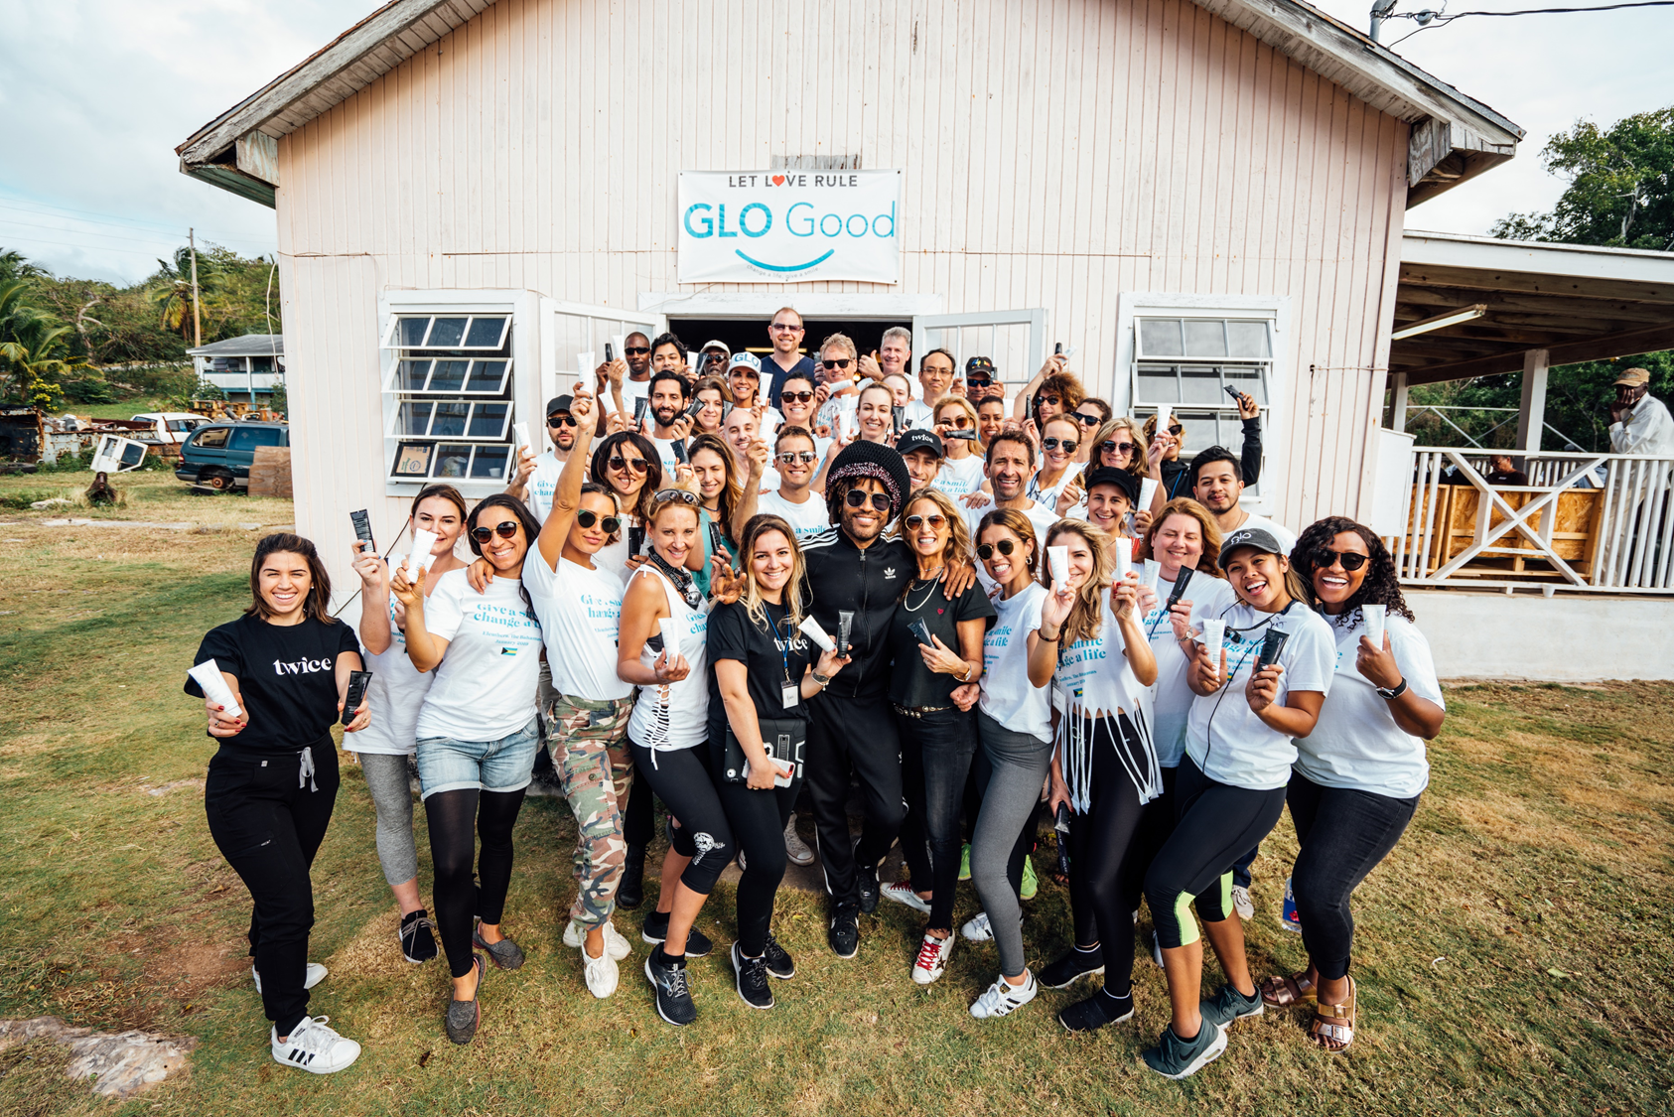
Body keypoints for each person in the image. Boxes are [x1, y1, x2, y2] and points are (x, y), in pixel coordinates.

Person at [1140, 526, 1334, 1078]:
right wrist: (1201, 672)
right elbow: (1207, 687)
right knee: (1211, 890)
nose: (1249, 575)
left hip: (1248, 785)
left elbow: (1304, 719)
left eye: (1258, 562)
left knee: (1166, 887)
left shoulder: (1306, 630)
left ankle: (1190, 1035)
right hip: (1199, 772)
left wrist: (1266, 709)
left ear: (1281, 562)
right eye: (1237, 567)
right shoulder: (1231, 618)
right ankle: (1245, 993)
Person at [186, 533, 369, 1073]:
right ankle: (290, 1030)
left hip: (315, 775)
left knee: (284, 881)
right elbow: (223, 689)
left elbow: (349, 670)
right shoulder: (230, 637)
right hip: (248, 785)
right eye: (273, 574)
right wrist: (224, 711)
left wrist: (351, 701)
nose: (284, 584)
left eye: (296, 573)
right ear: (256, 579)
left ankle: (270, 965)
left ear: (313, 578)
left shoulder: (334, 631)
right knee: (291, 902)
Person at [1263, 517, 1446, 1051]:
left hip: (1377, 784)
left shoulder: (1393, 630)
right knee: (1323, 887)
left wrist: (1391, 682)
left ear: (1372, 568)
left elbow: (1430, 724)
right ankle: (1317, 971)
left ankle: (1336, 990)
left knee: (1318, 887)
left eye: (1350, 559)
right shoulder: (1299, 621)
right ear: (1304, 563)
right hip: (1311, 776)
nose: (1335, 567)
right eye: (1323, 556)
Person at [801, 441, 972, 957]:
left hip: (875, 701)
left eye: (880, 501)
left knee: (889, 812)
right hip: (823, 699)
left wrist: (960, 562)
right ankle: (845, 901)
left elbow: (939, 550)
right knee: (827, 805)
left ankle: (866, 860)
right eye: (856, 496)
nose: (867, 508)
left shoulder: (902, 553)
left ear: (893, 507)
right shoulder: (810, 557)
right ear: (838, 499)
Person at [395, 496, 544, 1045]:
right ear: (472, 542)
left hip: (514, 735)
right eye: (482, 535)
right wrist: (413, 605)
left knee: (498, 838)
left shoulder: (541, 588)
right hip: (449, 735)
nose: (496, 541)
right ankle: (464, 976)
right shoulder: (460, 584)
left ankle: (491, 927)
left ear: (526, 530)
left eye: (507, 528)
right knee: (454, 863)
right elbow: (425, 657)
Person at [518, 388, 642, 999]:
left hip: (624, 721)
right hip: (576, 725)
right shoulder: (546, 567)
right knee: (608, 841)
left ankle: (581, 917)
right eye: (585, 519)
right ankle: (596, 939)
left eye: (606, 522)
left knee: (603, 833)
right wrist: (588, 432)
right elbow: (567, 498)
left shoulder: (618, 575)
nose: (594, 527)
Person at [708, 514, 852, 1008]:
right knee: (768, 859)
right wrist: (758, 761)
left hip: (791, 743)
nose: (774, 563)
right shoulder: (731, 615)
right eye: (762, 554)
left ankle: (757, 932)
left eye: (782, 553)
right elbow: (733, 693)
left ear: (795, 556)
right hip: (747, 750)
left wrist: (824, 675)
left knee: (765, 862)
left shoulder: (794, 612)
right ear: (748, 559)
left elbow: (790, 692)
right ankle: (748, 954)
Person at [1035, 519, 1160, 1031]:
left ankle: (1118, 994)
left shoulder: (1121, 599)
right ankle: (1087, 949)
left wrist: (1127, 618)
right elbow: (1043, 682)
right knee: (1081, 860)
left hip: (1125, 746)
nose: (1071, 565)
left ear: (1096, 558)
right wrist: (1057, 769)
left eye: (1080, 555)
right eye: (1059, 557)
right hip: (1079, 749)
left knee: (1100, 876)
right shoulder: (1048, 611)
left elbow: (1148, 673)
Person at [348, 485, 469, 967]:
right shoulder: (385, 567)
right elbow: (375, 645)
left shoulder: (473, 576)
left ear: (462, 528)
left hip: (446, 716)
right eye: (425, 518)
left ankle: (460, 886)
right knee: (394, 811)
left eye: (447, 521)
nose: (435, 530)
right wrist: (375, 589)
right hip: (385, 708)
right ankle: (412, 912)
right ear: (411, 521)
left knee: (455, 818)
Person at [877, 488, 994, 984]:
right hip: (899, 717)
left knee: (945, 829)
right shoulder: (903, 579)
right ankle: (924, 886)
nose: (925, 530)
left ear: (950, 527)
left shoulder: (961, 585)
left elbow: (975, 666)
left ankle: (939, 929)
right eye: (914, 522)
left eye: (935, 522)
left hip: (945, 722)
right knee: (905, 808)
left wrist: (958, 667)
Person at [617, 487, 719, 1027]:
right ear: (650, 533)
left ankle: (661, 918)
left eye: (688, 530)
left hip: (697, 731)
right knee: (716, 842)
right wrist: (656, 673)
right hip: (661, 738)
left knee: (687, 833)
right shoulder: (647, 583)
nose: (679, 541)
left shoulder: (690, 580)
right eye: (668, 531)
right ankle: (667, 959)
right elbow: (626, 662)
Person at [964, 509, 1052, 1018]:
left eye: (1005, 547)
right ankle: (1004, 916)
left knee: (987, 865)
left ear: (1028, 547)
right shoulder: (999, 600)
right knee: (999, 847)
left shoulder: (1040, 604)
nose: (995, 557)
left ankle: (1017, 981)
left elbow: (1042, 675)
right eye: (987, 550)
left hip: (1022, 748)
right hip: (988, 734)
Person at [962, 431, 1059, 590]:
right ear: (986, 469)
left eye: (1018, 462)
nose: (1008, 471)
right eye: (1001, 461)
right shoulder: (970, 512)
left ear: (1031, 471)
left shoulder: (1052, 526)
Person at [1146, 388, 1264, 502]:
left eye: (1174, 430)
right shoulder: (1139, 474)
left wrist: (1251, 425)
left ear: (1181, 437)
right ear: (1147, 442)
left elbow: (1248, 475)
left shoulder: (1193, 476)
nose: (1168, 437)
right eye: (1159, 434)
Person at [1188, 446, 1295, 553]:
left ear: (1240, 487)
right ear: (1195, 492)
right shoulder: (1184, 538)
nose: (1216, 488)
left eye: (1224, 480)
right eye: (1207, 482)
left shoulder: (1276, 536)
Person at [588, 431, 663, 581]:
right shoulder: (588, 513)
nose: (628, 471)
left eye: (638, 464)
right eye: (618, 462)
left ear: (649, 471)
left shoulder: (658, 517)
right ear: (604, 468)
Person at [738, 425, 831, 541]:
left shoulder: (827, 509)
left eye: (806, 456)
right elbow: (739, 536)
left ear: (815, 462)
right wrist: (753, 476)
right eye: (788, 457)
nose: (797, 463)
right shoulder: (759, 505)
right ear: (776, 464)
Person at [506, 395, 579, 522]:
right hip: (540, 541)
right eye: (555, 422)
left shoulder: (591, 466)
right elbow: (506, 508)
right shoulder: (535, 466)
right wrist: (518, 481)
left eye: (571, 420)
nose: (563, 428)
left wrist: (595, 480)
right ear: (547, 427)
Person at [1608, 366, 1674, 455]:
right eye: (1620, 387)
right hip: (1628, 467)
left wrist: (1615, 413)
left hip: (1645, 468)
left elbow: (1623, 448)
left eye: (1629, 387)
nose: (1622, 392)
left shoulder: (1651, 409)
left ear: (1645, 387)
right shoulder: (1626, 408)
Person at [764, 306, 818, 410]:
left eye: (793, 328)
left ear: (801, 334)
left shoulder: (815, 371)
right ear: (771, 332)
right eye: (780, 327)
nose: (786, 332)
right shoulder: (756, 370)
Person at [932, 395, 986, 497]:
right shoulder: (929, 462)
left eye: (961, 421)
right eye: (946, 423)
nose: (954, 428)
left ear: (971, 424)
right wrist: (931, 442)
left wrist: (983, 495)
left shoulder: (981, 467)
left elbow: (989, 490)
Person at [1027, 416, 1084, 510]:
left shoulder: (1078, 499)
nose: (1059, 451)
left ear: (1077, 450)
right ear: (1041, 445)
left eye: (1068, 445)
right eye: (1051, 442)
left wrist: (1061, 511)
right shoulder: (1020, 481)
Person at [814, 333, 862, 434]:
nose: (836, 369)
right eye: (829, 364)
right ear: (823, 368)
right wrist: (815, 407)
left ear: (854, 365)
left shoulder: (868, 402)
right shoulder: (817, 404)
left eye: (842, 363)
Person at [903, 348, 956, 427]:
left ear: (951, 378)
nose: (936, 377)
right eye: (930, 370)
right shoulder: (906, 410)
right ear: (920, 376)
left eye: (943, 372)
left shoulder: (958, 414)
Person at [615, 331, 654, 417]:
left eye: (641, 350)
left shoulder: (659, 386)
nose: (635, 356)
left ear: (650, 354)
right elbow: (602, 426)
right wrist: (601, 386)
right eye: (630, 351)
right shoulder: (615, 385)